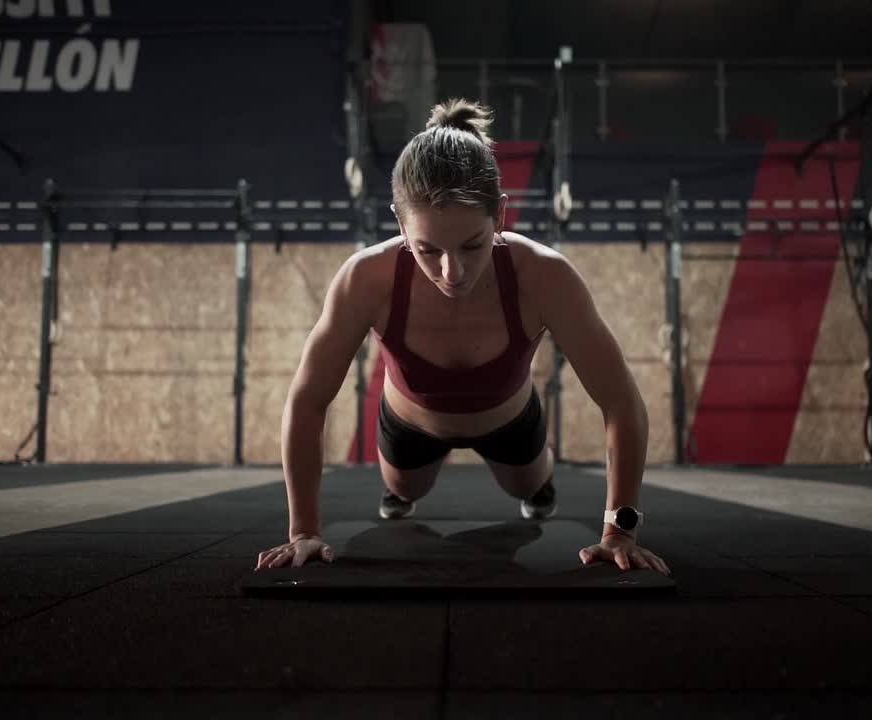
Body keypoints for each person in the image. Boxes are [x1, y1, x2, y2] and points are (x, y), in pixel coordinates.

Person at [255, 99, 670, 577]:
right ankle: (400, 492)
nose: (451, 273)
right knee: (406, 490)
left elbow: (621, 403)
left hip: (512, 423)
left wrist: (621, 528)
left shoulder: (545, 275)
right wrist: (303, 531)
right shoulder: (365, 278)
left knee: (528, 486)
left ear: (500, 215)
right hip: (410, 428)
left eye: (472, 246)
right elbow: (307, 402)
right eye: (427, 250)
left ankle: (538, 488)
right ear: (399, 223)